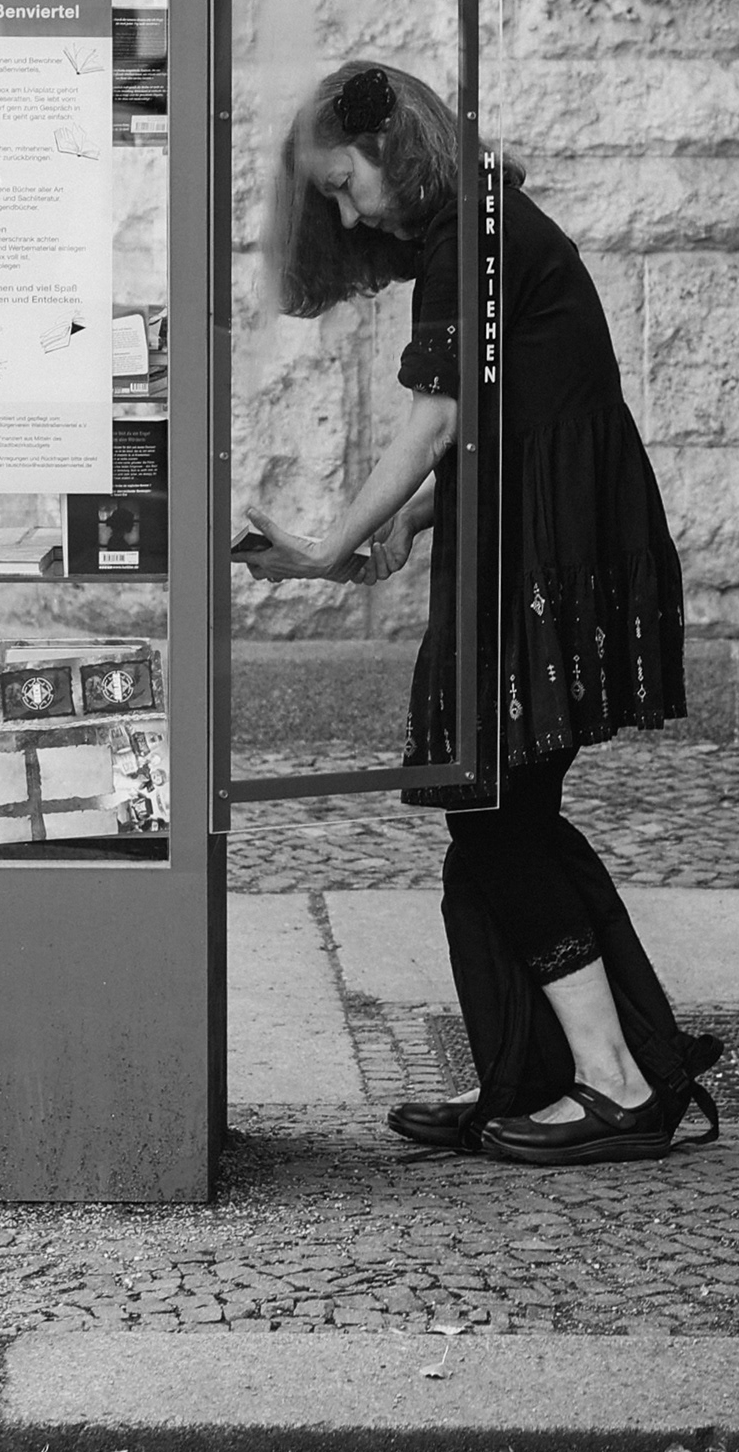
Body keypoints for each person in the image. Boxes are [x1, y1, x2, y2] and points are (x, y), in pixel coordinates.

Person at [241, 58, 710, 1166]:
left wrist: (329, 546)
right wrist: (412, 529)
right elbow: (519, 423)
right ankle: (544, 1073)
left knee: (492, 809)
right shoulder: (484, 223)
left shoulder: (472, 238)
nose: (347, 212)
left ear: (390, 145)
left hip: (542, 553)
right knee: (501, 815)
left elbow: (439, 425)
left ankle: (616, 1080)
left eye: (344, 183)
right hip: (545, 532)